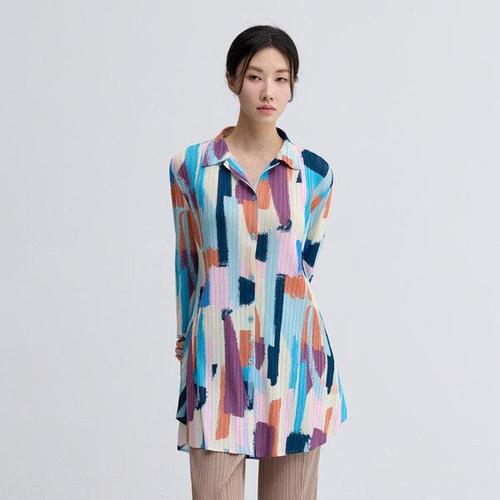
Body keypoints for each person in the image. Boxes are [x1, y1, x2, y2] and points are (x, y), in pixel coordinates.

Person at [168, 24, 348, 500]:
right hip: (216, 363)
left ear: (292, 86)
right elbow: (187, 260)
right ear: (232, 80)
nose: (268, 91)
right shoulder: (191, 166)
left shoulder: (314, 174)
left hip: (294, 367)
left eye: (281, 79)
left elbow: (303, 268)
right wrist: (185, 341)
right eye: (255, 77)